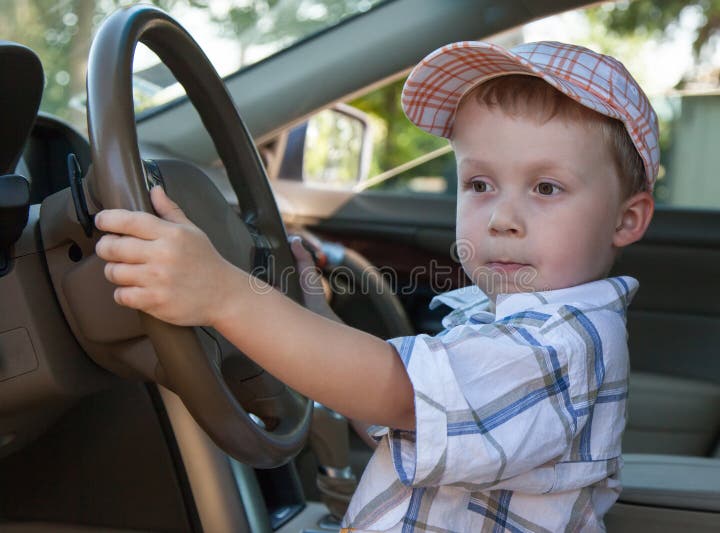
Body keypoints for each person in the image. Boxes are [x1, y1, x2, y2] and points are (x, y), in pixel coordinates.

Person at [94, 40, 657, 532]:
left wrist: (224, 295)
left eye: (547, 188)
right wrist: (313, 311)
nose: (501, 218)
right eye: (480, 183)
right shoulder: (508, 324)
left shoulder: (556, 347)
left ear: (626, 220)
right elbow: (391, 414)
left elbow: (391, 391)